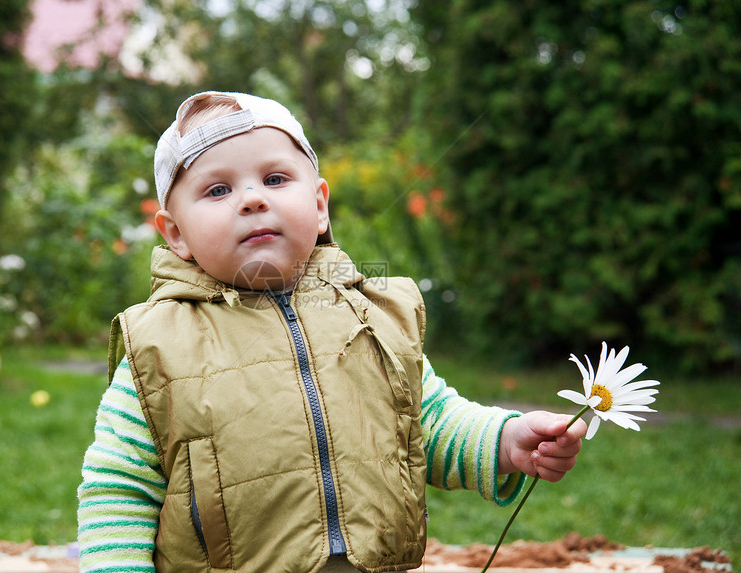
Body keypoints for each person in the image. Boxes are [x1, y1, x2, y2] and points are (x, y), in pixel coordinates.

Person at [77, 91, 588, 573]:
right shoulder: (159, 347)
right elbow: (119, 487)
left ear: (319, 205)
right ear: (176, 234)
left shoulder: (373, 317)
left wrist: (505, 440)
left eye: (275, 179)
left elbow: (426, 420)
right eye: (218, 189)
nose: (253, 199)